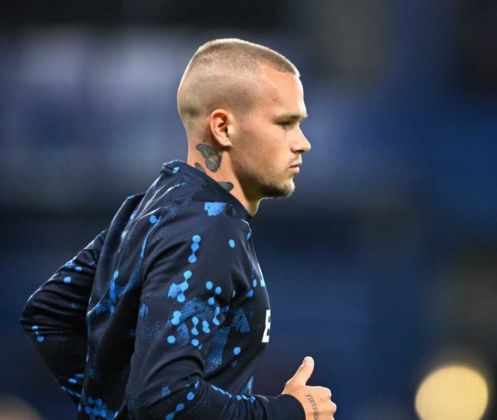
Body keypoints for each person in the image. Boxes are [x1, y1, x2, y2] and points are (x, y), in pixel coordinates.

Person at [20, 38, 336, 420]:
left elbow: (47, 315)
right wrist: (287, 413)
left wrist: (108, 408)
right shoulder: (209, 227)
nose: (303, 143)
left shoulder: (152, 208)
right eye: (285, 123)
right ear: (222, 127)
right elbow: (164, 399)